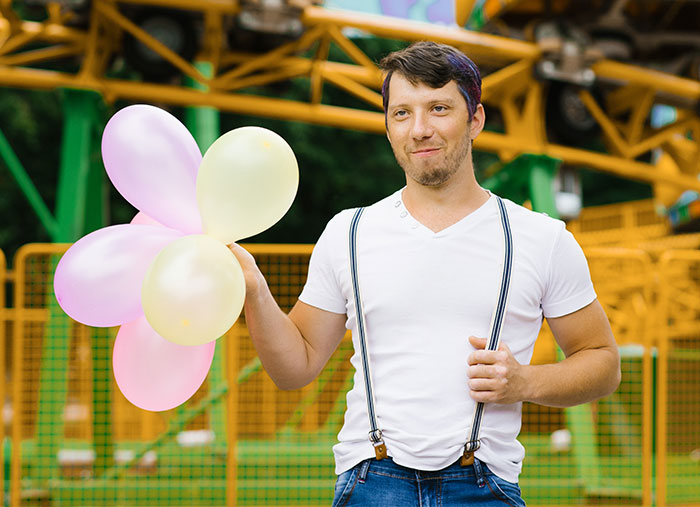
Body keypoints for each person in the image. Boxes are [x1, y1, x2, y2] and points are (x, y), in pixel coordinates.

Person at [229, 41, 620, 507]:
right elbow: (296, 367)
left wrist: (525, 382)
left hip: (485, 486)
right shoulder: (349, 233)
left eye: (438, 108)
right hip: (371, 483)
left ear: (475, 119)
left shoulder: (541, 238)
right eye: (401, 113)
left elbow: (602, 362)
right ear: (388, 125)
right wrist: (254, 288)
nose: (419, 130)